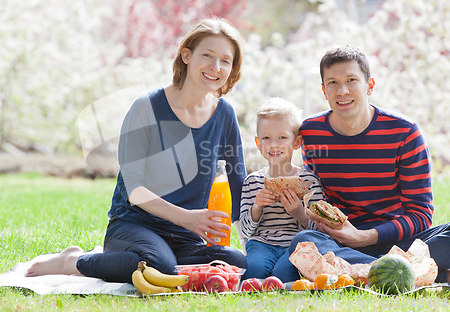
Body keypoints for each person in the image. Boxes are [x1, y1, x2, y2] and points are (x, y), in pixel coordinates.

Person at [26, 18, 247, 283]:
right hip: (134, 225)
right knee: (157, 264)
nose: (216, 67)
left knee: (236, 262)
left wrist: (251, 244)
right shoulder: (147, 107)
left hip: (186, 236)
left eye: (225, 60)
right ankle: (73, 261)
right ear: (186, 56)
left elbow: (238, 185)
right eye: (208, 55)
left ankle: (161, 262)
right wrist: (187, 218)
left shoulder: (224, 114)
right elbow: (135, 190)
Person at [289, 45, 450, 283]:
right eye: (332, 82)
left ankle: (365, 272)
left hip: (397, 240)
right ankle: (399, 272)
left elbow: (421, 214)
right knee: (303, 241)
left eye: (351, 80)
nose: (342, 90)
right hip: (340, 241)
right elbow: (317, 199)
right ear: (324, 91)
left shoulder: (404, 132)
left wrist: (365, 237)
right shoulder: (312, 133)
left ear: (370, 85)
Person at [239, 98, 324, 282]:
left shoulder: (309, 181)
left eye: (282, 137)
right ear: (258, 142)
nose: (274, 144)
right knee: (253, 270)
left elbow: (319, 230)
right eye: (266, 138)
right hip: (262, 244)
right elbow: (245, 231)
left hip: (297, 245)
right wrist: (256, 208)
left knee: (284, 275)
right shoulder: (252, 182)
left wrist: (299, 213)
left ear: (296, 142)